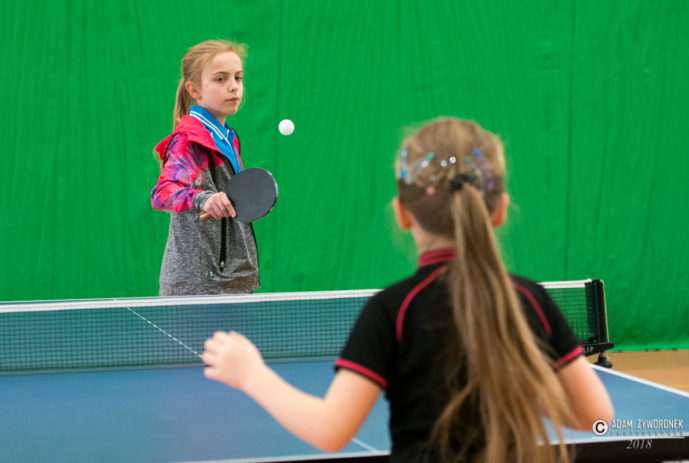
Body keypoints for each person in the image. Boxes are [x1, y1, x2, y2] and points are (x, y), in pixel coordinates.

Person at [202, 118, 614, 462]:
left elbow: (331, 430)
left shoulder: (393, 311)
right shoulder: (531, 300)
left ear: (401, 215)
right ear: (501, 210)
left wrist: (252, 375)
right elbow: (597, 418)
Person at [151, 40, 259, 296]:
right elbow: (163, 193)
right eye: (220, 79)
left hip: (232, 280)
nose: (233, 86)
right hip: (198, 285)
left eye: (238, 77)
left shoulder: (226, 136)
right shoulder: (190, 141)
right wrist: (203, 199)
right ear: (195, 89)